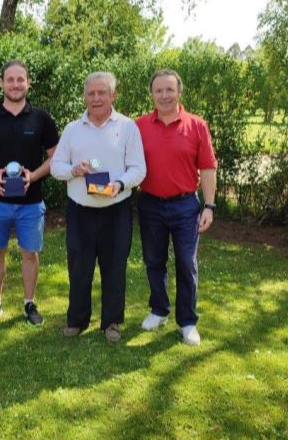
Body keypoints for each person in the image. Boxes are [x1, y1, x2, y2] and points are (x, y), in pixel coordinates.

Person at [50, 71, 146, 342]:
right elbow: (56, 167)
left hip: (116, 209)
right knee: (79, 267)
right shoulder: (72, 129)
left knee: (115, 266)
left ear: (113, 95)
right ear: (84, 97)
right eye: (91, 93)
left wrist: (121, 183)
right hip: (80, 210)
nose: (96, 98)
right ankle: (77, 320)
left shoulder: (128, 127)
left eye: (102, 92)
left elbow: (139, 168)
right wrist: (73, 169)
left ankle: (112, 321)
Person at [0, 60, 59, 327]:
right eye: (10, 79)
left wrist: (33, 175)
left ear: (28, 83)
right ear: (1, 84)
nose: (16, 84)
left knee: (29, 254)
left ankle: (29, 303)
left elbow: (54, 158)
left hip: (31, 203)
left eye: (21, 79)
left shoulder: (42, 118)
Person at [135, 69, 218, 346]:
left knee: (186, 262)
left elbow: (207, 168)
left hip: (185, 206)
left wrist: (209, 206)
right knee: (154, 260)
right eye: (159, 90)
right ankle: (159, 310)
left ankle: (187, 321)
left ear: (179, 92)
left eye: (170, 90)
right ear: (152, 94)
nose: (164, 95)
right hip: (149, 204)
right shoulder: (139, 126)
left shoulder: (197, 125)